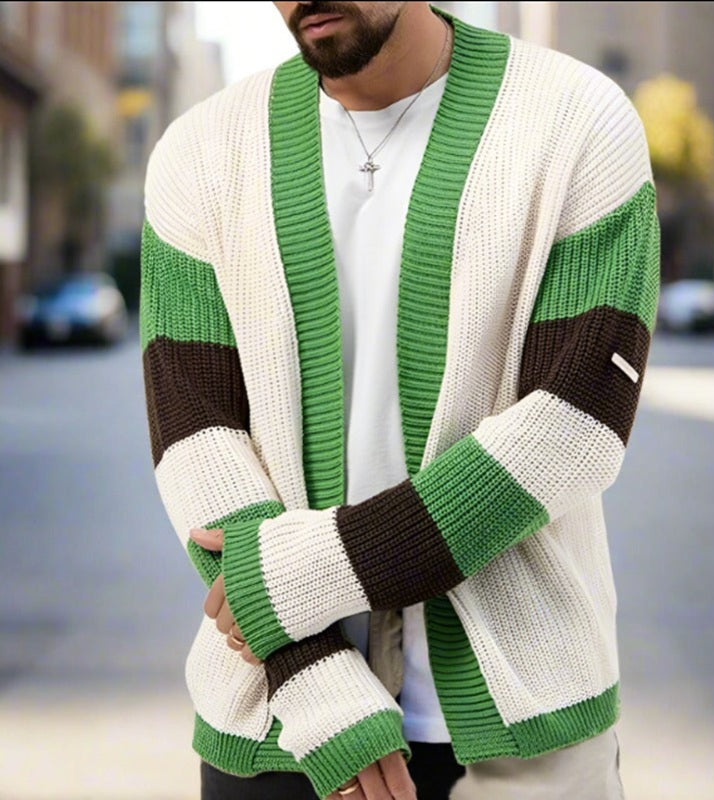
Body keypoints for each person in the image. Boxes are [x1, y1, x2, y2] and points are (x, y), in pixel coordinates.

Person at [140, 2, 659, 798]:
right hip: (278, 719)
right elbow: (195, 433)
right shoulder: (200, 151)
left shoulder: (576, 118)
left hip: (528, 724)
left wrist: (302, 577)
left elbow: (573, 426)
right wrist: (310, 674)